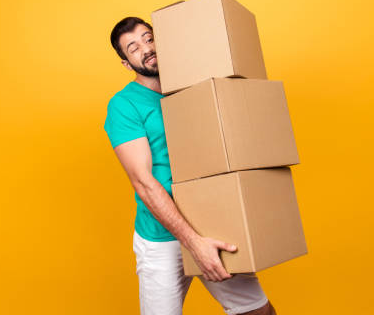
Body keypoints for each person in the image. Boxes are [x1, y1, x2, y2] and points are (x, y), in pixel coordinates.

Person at [103, 17, 277, 315]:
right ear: (127, 64)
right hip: (161, 237)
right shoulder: (124, 105)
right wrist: (193, 243)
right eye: (133, 48)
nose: (146, 48)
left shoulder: (191, 86)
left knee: (258, 312)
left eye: (149, 38)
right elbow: (143, 182)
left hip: (211, 222)